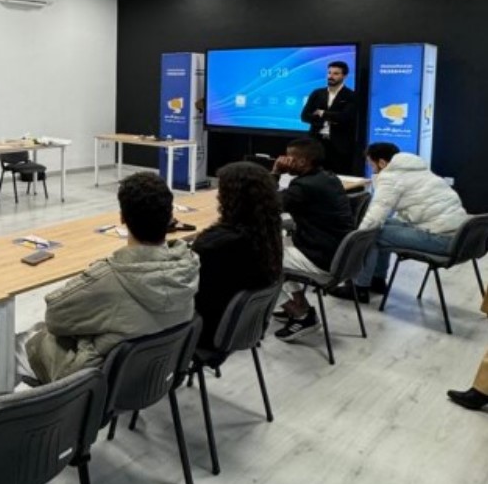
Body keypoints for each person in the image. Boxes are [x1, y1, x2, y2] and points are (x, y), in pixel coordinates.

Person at [0, 172, 199, 394]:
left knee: (20, 343)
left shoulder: (110, 279)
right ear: (170, 218)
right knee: (38, 331)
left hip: (91, 387)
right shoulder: (187, 270)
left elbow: (55, 316)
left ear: (122, 218)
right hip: (147, 381)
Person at [330, 142, 469, 303]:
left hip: (441, 239)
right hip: (458, 235)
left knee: (371, 233)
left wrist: (356, 239)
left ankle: (358, 288)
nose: (371, 169)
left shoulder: (390, 178)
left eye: (371, 164)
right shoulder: (419, 170)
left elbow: (375, 216)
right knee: (384, 225)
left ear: (382, 163)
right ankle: (377, 280)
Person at [191, 162, 283, 359]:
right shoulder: (267, 232)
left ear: (230, 198)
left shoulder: (216, 244)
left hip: (204, 331)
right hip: (242, 327)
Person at [271, 138, 354, 341]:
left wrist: (275, 172)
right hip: (338, 254)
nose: (283, 159)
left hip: (321, 259)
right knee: (277, 243)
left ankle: (301, 314)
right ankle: (300, 304)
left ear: (302, 161)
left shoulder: (303, 186)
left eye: (288, 156)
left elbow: (267, 205)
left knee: (253, 262)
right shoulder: (329, 177)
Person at [300, 60, 357, 175]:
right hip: (316, 141)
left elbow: (344, 117)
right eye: (329, 73)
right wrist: (328, 119)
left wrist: (322, 113)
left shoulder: (350, 95)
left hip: (339, 145)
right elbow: (305, 116)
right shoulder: (317, 93)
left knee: (338, 175)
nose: (331, 76)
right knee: (313, 175)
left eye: (336, 73)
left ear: (344, 76)